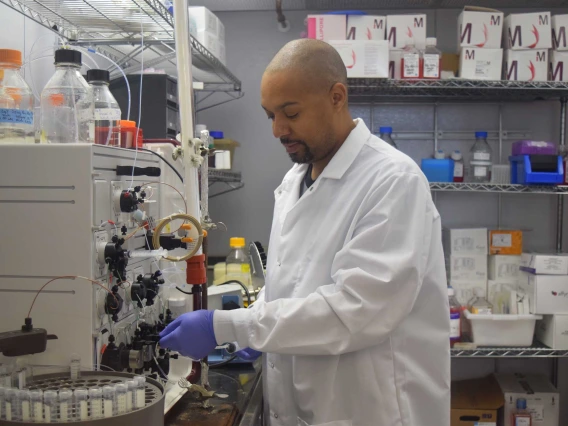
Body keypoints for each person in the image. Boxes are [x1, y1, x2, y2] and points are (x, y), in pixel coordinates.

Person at [160, 39, 450, 426]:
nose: (279, 129)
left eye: (291, 113)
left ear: (337, 97)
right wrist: (248, 324)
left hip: (371, 411)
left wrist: (231, 327)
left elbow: (354, 311)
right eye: (270, 116)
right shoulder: (295, 179)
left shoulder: (392, 181)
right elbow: (293, 291)